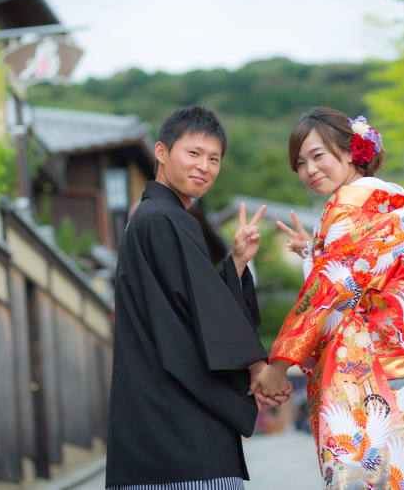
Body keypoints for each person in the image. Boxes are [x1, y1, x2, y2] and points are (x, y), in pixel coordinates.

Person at [251, 107, 404, 489]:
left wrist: (278, 363)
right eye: (300, 163)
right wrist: (316, 253)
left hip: (373, 374)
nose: (309, 170)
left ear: (352, 150)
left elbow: (328, 292)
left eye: (318, 155)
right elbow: (366, 274)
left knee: (373, 475)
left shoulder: (347, 211)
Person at [105, 105, 289, 490]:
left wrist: (236, 261)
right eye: (193, 153)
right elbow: (205, 308)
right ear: (161, 151)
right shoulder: (167, 218)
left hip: (150, 426)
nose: (203, 166)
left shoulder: (147, 217)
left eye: (213, 158)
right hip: (182, 434)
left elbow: (190, 298)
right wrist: (259, 370)